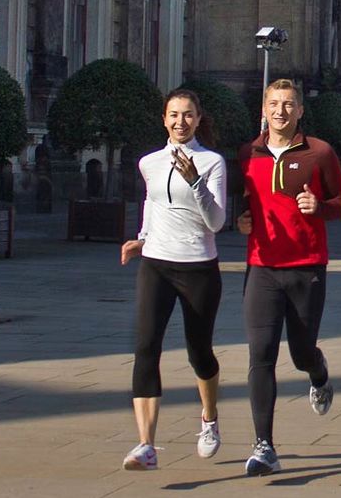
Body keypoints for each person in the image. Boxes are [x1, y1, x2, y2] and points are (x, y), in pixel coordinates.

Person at [236, 79, 341, 476]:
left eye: (288, 104)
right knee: (260, 354)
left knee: (301, 352)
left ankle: (318, 374)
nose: (280, 111)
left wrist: (320, 206)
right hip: (262, 267)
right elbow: (240, 202)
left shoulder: (319, 152)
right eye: (273, 104)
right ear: (263, 109)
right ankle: (264, 446)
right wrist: (240, 220)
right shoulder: (248, 153)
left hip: (306, 266)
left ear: (300, 110)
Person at [119, 90, 228, 471]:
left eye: (188, 115)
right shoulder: (149, 162)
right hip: (156, 264)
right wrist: (142, 238)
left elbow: (216, 222)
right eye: (173, 115)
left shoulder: (211, 162)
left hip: (198, 265)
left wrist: (196, 181)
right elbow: (153, 202)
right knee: (146, 347)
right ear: (164, 119)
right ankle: (146, 445)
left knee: (199, 352)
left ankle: (209, 418)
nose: (180, 122)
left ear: (199, 120)